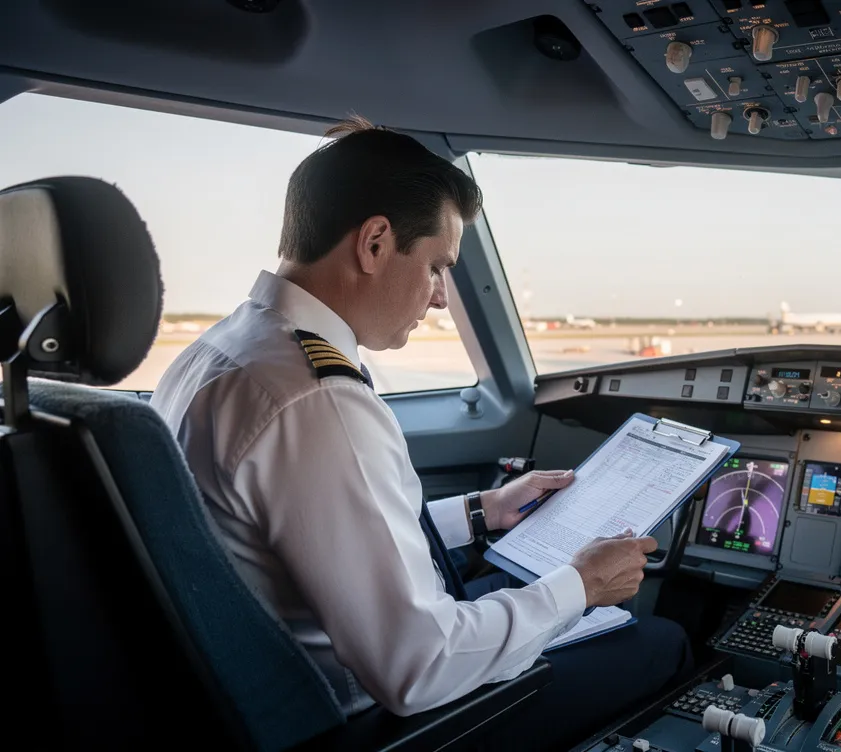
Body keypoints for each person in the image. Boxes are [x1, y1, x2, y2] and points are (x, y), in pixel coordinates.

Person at [150, 117, 692, 749]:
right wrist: (583, 584)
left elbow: (312, 532)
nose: (439, 296)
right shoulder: (316, 401)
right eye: (437, 266)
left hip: (269, 676)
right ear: (375, 243)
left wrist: (481, 511)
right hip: (369, 717)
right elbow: (419, 667)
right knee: (658, 641)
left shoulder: (222, 353)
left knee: (531, 593)